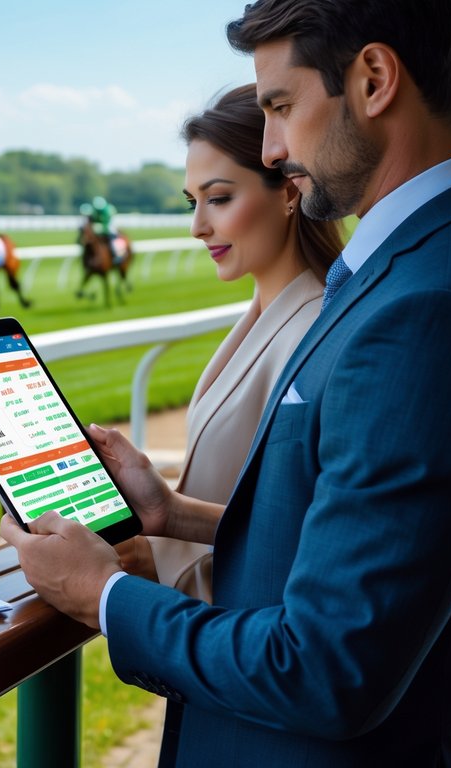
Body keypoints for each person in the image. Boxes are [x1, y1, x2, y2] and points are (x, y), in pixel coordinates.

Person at [0, 1, 451, 765]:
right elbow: (358, 532)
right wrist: (173, 513)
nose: (271, 148)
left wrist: (102, 596)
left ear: (373, 79)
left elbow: (325, 669)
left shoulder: (431, 309)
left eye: (279, 105)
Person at [120, 83, 342, 601]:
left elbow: (307, 538)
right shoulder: (268, 312)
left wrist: (162, 547)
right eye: (193, 202)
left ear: (289, 190)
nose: (198, 226)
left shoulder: (315, 330)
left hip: (245, 638)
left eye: (219, 199)